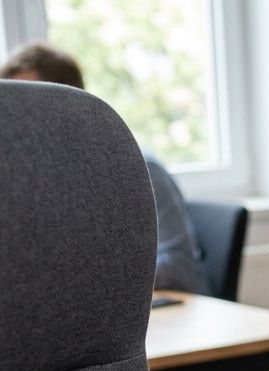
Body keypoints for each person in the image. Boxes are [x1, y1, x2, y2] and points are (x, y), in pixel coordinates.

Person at [1, 40, 209, 295]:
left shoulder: (138, 170)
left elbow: (180, 270)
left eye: (28, 105)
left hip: (156, 320)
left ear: (66, 102)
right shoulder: (27, 184)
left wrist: (88, 275)